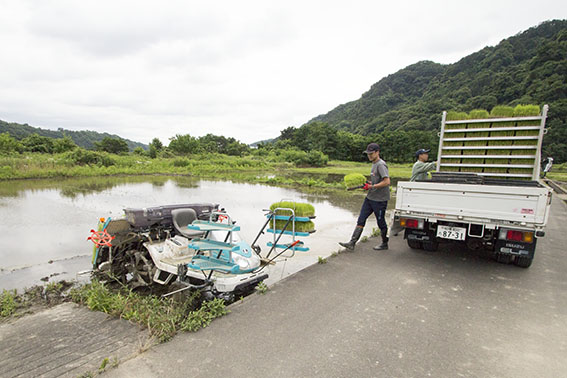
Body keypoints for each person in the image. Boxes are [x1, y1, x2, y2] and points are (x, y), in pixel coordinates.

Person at [339, 143, 390, 251]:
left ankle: (384, 243)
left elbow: (386, 181)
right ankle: (352, 243)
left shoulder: (381, 165)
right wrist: (367, 183)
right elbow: (377, 181)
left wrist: (371, 186)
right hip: (370, 198)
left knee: (380, 222)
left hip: (380, 200)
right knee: (361, 219)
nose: (370, 156)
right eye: (368, 154)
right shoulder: (374, 164)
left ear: (377, 152)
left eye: (371, 153)